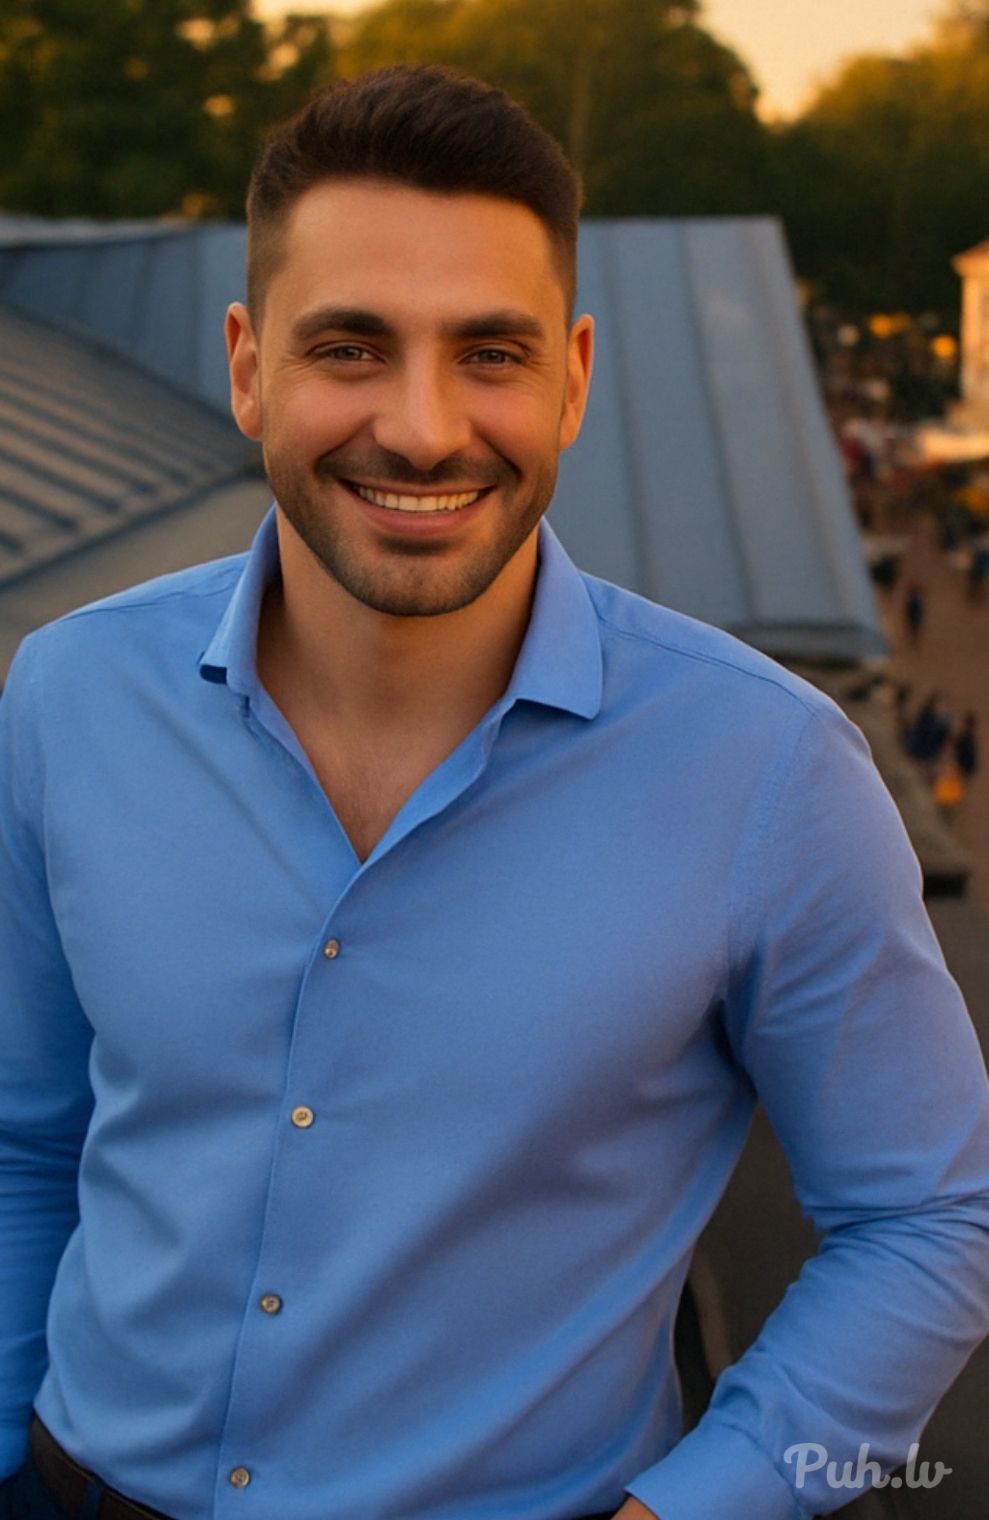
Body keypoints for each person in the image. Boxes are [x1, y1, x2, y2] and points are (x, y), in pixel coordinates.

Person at [1, 65, 988, 1520]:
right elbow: (23, 1135)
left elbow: (930, 1214)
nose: (422, 428)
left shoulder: (768, 771)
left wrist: (696, 1508)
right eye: (351, 346)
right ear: (248, 367)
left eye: (490, 353)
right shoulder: (70, 695)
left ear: (572, 379)